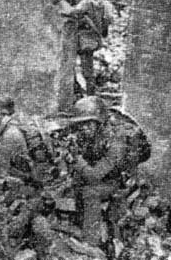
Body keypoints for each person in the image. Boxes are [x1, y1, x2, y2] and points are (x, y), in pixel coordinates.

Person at [68, 96, 150, 247]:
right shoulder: (94, 133)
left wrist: (75, 159)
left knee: (90, 192)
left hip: (120, 182)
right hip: (107, 174)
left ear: (99, 122)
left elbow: (94, 175)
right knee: (77, 183)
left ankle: (91, 242)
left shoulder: (116, 141)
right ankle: (84, 224)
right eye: (80, 125)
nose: (83, 129)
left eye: (87, 124)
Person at [53, 0, 113, 111]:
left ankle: (92, 98)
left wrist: (60, 3)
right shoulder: (85, 1)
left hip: (87, 41)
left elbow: (73, 13)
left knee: (87, 71)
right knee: (80, 69)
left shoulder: (86, 2)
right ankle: (81, 93)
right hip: (83, 40)